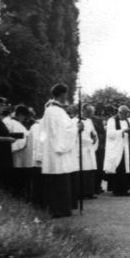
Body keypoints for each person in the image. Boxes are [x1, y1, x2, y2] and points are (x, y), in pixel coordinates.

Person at [42, 85, 83, 217]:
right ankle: (60, 209)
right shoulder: (56, 111)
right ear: (62, 94)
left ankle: (57, 208)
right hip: (58, 151)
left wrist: (74, 126)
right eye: (66, 94)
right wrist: (77, 127)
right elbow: (64, 131)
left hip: (52, 150)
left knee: (57, 180)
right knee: (60, 180)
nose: (67, 96)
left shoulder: (50, 110)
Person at [104, 105, 130, 197]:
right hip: (117, 148)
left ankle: (125, 189)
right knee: (119, 168)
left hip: (126, 148)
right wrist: (123, 130)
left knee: (126, 169)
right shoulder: (112, 120)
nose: (127, 115)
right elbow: (110, 134)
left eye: (128, 114)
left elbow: (129, 134)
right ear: (120, 112)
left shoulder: (126, 121)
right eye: (126, 113)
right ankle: (117, 190)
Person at [75, 104, 99, 200]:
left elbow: (93, 133)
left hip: (89, 148)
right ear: (83, 110)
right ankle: (81, 192)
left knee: (89, 171)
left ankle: (89, 191)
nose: (90, 114)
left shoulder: (89, 121)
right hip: (80, 149)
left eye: (91, 112)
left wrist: (94, 138)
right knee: (82, 171)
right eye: (89, 112)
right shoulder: (75, 120)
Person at [8, 104, 31, 198]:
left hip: (22, 155)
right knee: (17, 177)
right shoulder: (11, 123)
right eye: (24, 116)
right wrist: (25, 137)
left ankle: (20, 195)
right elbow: (11, 136)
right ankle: (16, 196)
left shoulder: (18, 124)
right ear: (20, 114)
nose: (25, 119)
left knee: (21, 176)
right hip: (16, 154)